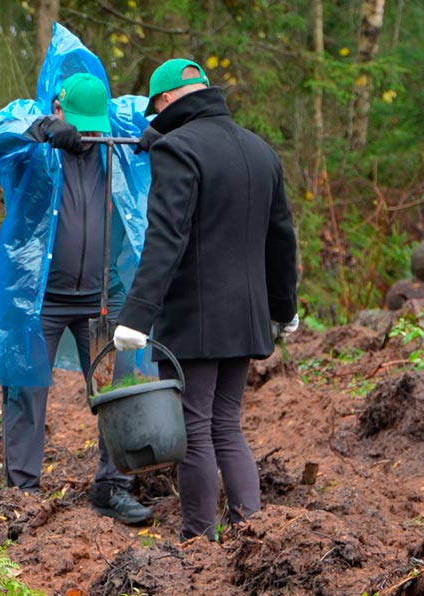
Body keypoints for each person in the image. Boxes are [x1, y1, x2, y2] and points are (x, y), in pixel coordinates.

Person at [0, 24, 154, 524]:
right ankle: (22, 494)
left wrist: (166, 126)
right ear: (58, 106)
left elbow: (166, 107)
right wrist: (42, 127)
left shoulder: (116, 126)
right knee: (26, 392)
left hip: (106, 292)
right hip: (42, 297)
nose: (91, 135)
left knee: (122, 386)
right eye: (81, 124)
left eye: (95, 125)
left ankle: (114, 484)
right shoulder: (35, 141)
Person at [113, 58, 299, 540]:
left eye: (157, 110)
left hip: (197, 319)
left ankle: (198, 540)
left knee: (194, 427)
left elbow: (165, 238)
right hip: (247, 317)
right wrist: (285, 307)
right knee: (226, 425)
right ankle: (251, 535)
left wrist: (136, 316)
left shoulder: (178, 150)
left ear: (168, 101)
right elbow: (281, 239)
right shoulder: (261, 151)